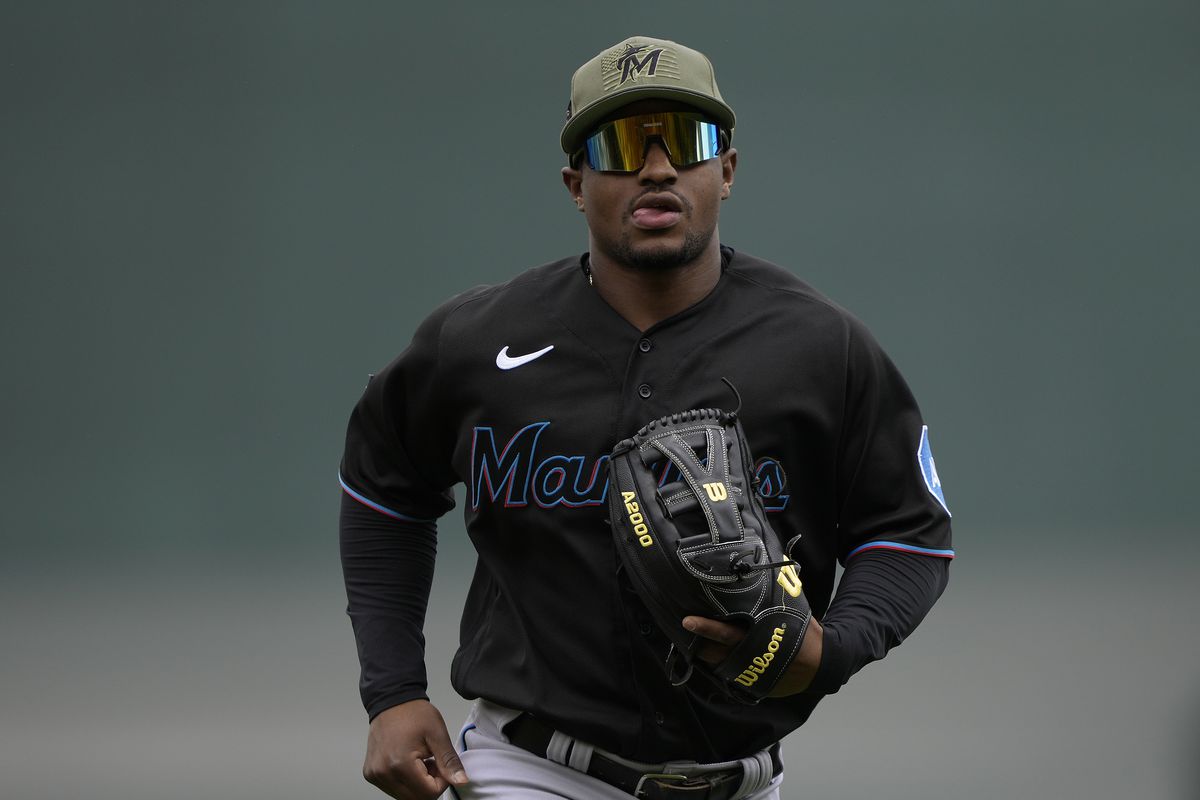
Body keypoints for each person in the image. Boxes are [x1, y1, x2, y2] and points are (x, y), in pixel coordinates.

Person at [339, 35, 954, 800]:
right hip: (533, 771)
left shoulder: (822, 348)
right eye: (622, 143)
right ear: (575, 181)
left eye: (686, 141)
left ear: (725, 171)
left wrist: (835, 650)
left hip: (744, 781)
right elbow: (382, 485)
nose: (656, 167)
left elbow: (908, 531)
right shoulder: (479, 341)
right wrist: (393, 690)